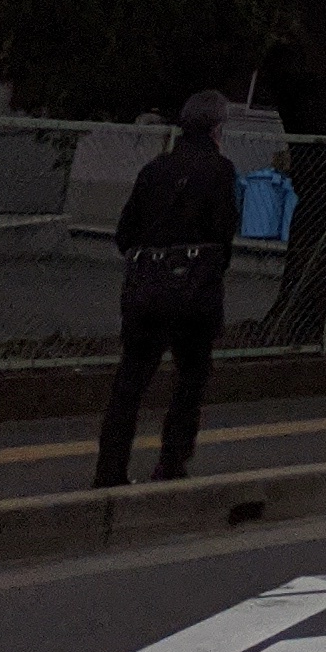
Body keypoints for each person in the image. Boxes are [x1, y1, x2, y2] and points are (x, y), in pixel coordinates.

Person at [94, 92, 242, 488]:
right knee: (191, 377)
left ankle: (110, 469)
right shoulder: (221, 171)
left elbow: (125, 234)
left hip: (146, 291)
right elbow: (224, 231)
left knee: (130, 380)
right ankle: (172, 461)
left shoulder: (155, 169)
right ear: (217, 129)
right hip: (195, 294)